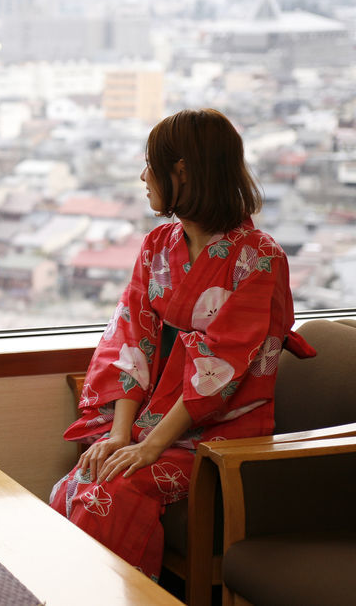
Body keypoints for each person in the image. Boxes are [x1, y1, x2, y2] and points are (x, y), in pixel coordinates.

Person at [49, 108, 313, 580]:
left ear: (182, 172)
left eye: (151, 164)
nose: (143, 176)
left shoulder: (258, 258)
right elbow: (132, 339)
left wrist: (150, 446)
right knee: (81, 480)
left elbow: (222, 369)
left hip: (219, 430)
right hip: (154, 416)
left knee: (113, 492)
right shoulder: (157, 244)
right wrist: (120, 434)